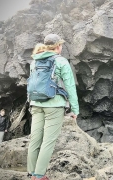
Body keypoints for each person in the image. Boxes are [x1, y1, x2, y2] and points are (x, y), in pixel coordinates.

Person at [27, 34, 79, 180]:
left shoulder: (34, 61)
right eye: (61, 45)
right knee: (48, 141)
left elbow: (31, 83)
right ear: (57, 46)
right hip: (54, 105)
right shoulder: (61, 61)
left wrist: (30, 103)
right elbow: (70, 86)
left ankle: (31, 173)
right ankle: (39, 176)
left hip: (36, 104)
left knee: (35, 139)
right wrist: (74, 109)